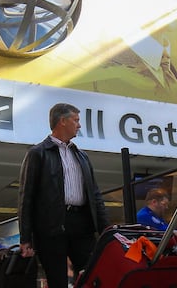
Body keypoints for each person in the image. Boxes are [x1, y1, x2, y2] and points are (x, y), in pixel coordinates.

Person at [18, 103, 110, 288]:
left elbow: (95, 195)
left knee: (92, 277)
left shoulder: (82, 156)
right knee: (57, 281)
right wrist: (25, 237)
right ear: (62, 121)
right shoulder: (37, 153)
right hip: (51, 228)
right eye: (76, 120)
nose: (79, 125)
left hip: (82, 225)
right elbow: (26, 198)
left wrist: (106, 230)